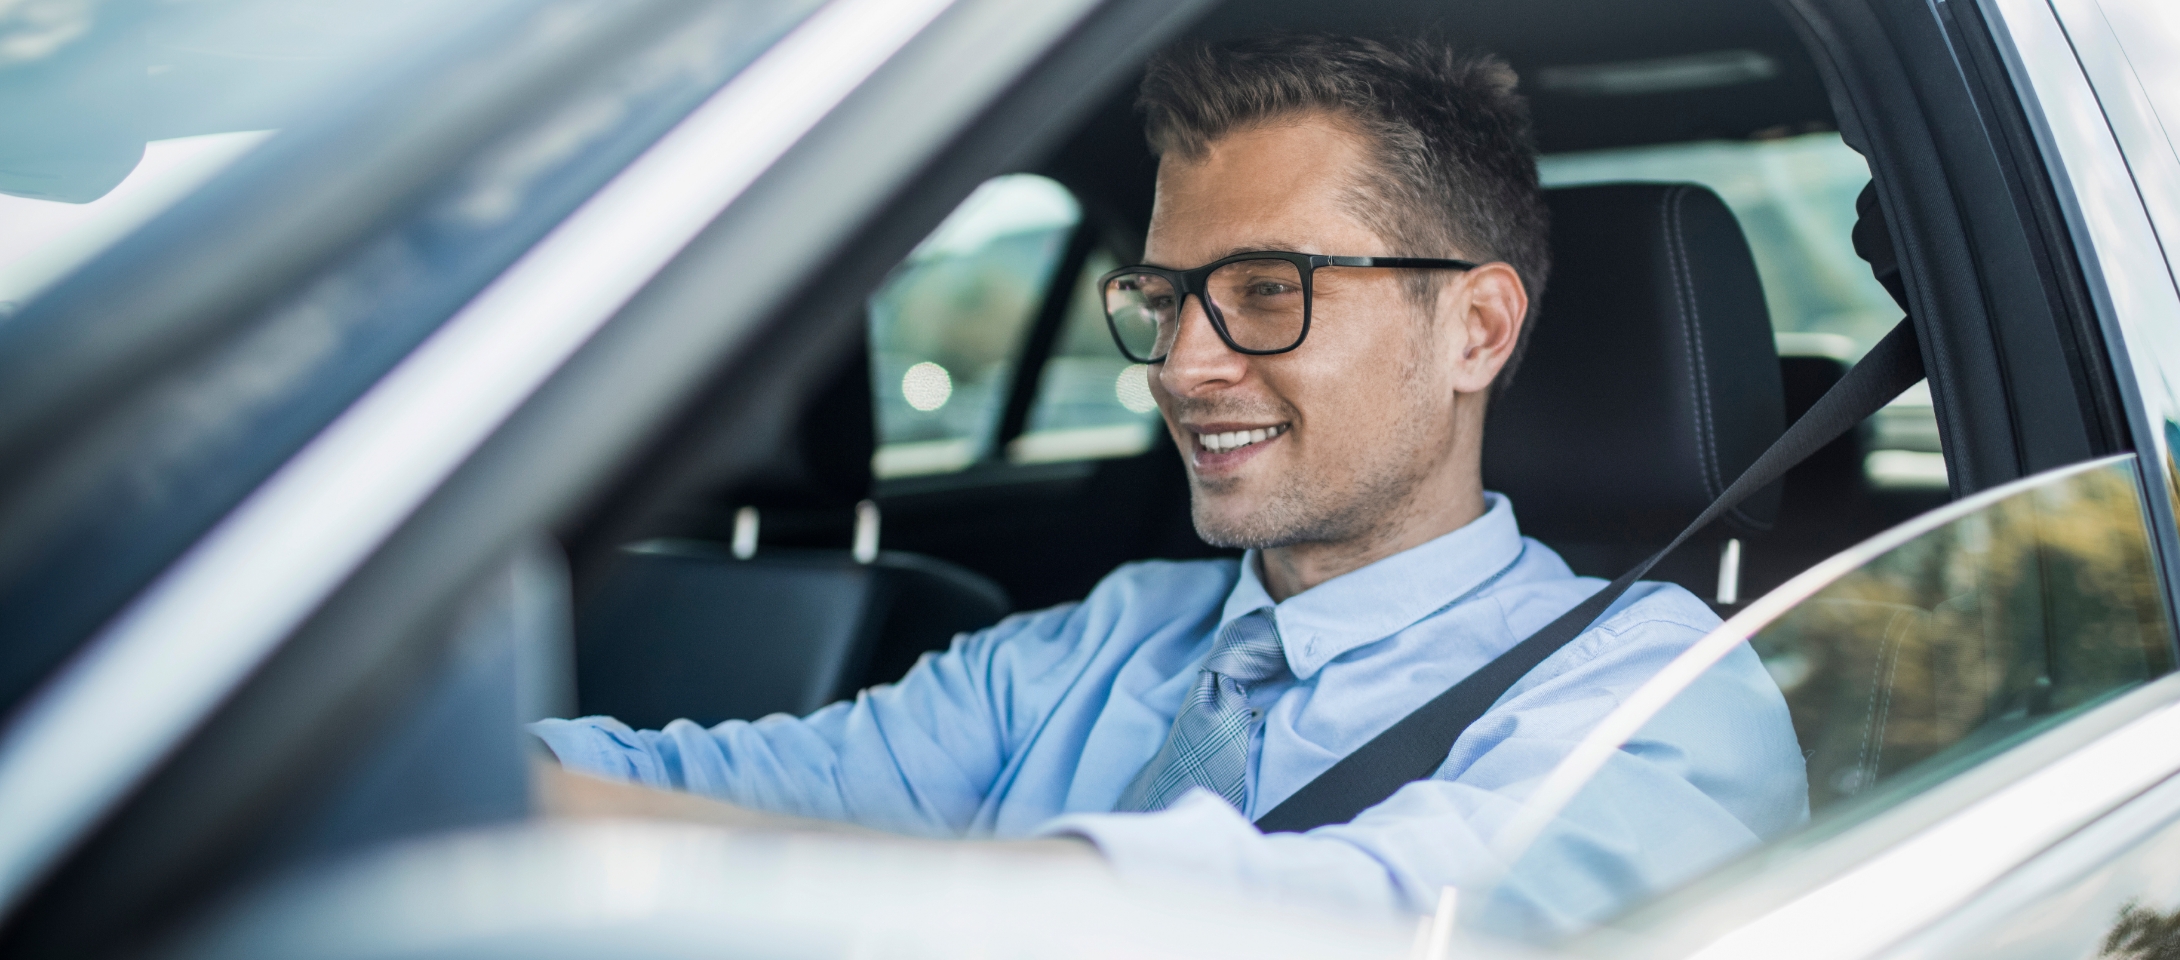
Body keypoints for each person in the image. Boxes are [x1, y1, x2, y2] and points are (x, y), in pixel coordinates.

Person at [534, 33, 1805, 929]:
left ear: (1474, 329)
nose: (1184, 369)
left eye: (1267, 291)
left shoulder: (1658, 701)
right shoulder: (1097, 640)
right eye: (1165, 296)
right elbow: (713, 781)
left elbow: (1382, 926)